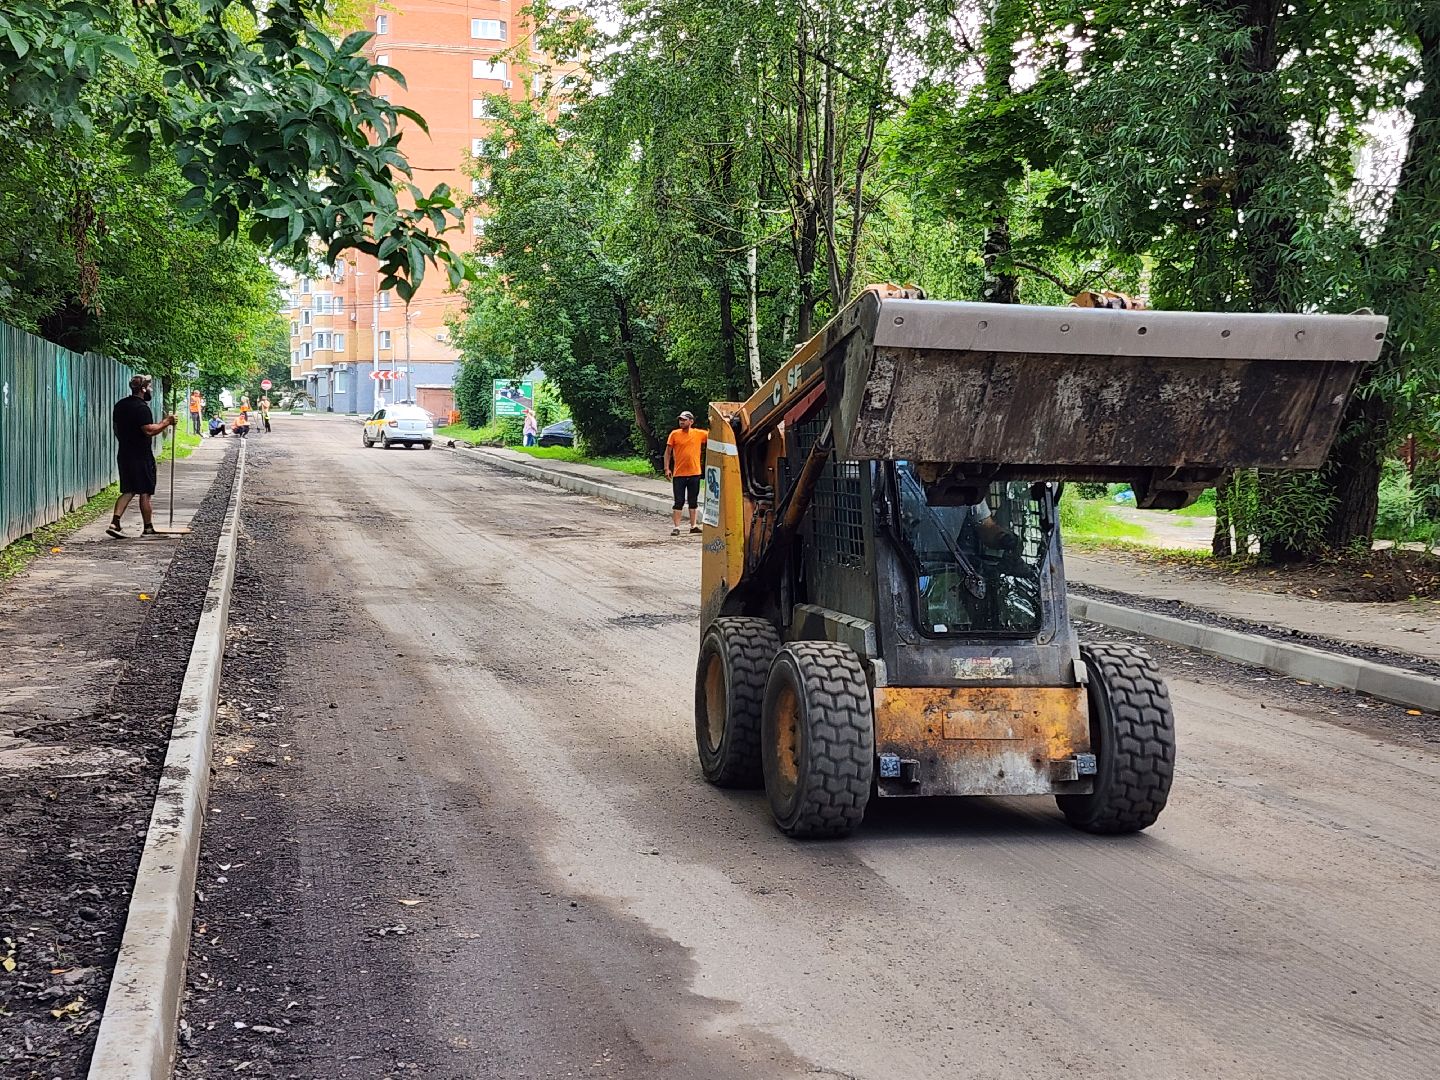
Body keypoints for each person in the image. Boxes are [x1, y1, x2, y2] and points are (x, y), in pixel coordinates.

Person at [107, 375, 177, 539]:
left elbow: (116, 428)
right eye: (149, 386)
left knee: (129, 489)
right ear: (143, 389)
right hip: (141, 455)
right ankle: (148, 528)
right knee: (145, 491)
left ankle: (115, 523)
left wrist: (126, 441)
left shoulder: (120, 405)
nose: (151, 389)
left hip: (124, 453)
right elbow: (149, 430)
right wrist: (167, 422)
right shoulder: (141, 408)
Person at [664, 410, 708, 537]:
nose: (681, 422)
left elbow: (715, 435)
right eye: (680, 420)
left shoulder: (699, 434)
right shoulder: (674, 434)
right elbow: (667, 452)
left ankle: (693, 526)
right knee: (679, 500)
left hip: (695, 472)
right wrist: (667, 468)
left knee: (693, 500)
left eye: (684, 420)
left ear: (691, 421)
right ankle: (676, 527)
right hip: (679, 473)